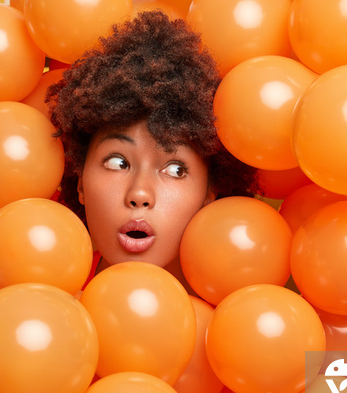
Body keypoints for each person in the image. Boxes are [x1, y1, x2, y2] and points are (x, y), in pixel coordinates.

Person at [47, 10, 259, 292]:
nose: (139, 194)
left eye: (175, 169)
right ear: (81, 181)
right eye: (118, 163)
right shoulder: (46, 298)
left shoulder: (239, 318)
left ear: (210, 191)